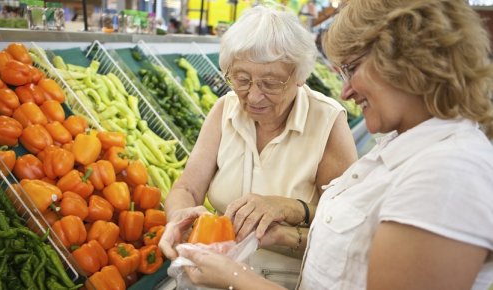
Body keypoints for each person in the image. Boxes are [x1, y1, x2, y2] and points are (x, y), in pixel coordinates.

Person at [172, 0, 493, 289]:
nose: (345, 91)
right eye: (241, 79)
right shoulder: (401, 149)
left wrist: (235, 276)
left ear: (408, 64)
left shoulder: (449, 173)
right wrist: (280, 234)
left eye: (352, 68)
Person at [158, 3, 358, 288]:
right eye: (241, 79)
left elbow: (344, 230)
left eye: (271, 83)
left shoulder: (327, 120)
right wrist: (179, 216)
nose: (253, 96)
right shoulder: (224, 110)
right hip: (212, 276)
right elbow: (187, 188)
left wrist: (290, 209)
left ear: (300, 76)